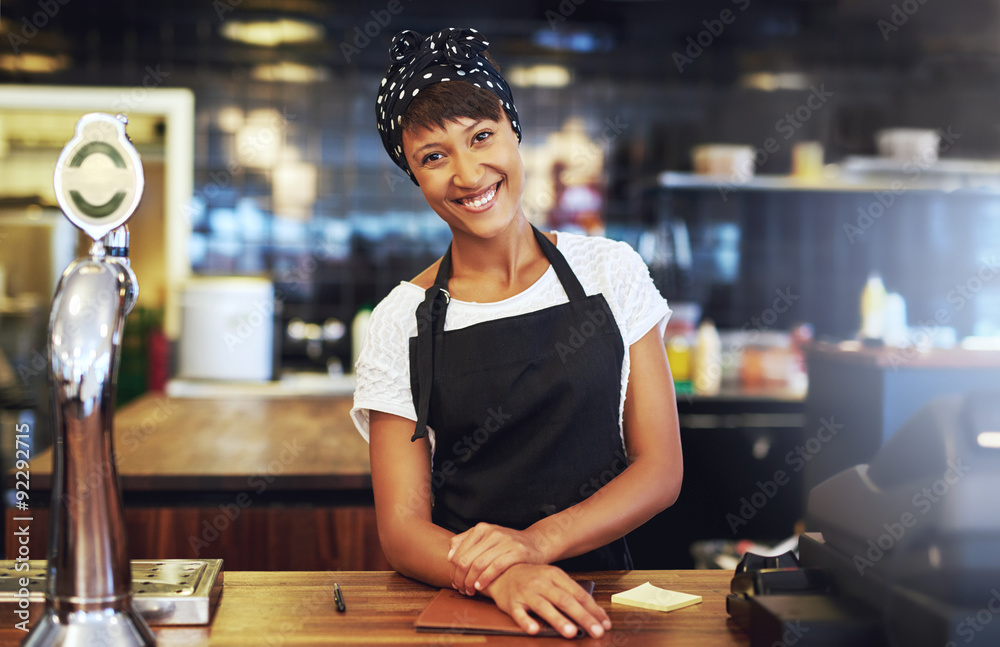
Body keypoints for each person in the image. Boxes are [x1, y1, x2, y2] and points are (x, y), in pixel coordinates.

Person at [351, 27, 683, 640]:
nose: (469, 173)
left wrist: (532, 547)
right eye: (433, 156)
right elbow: (402, 532)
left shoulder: (610, 271)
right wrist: (500, 578)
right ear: (414, 176)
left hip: (600, 604)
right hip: (465, 602)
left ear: (513, 129)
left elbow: (659, 469)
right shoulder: (402, 318)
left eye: (482, 137)